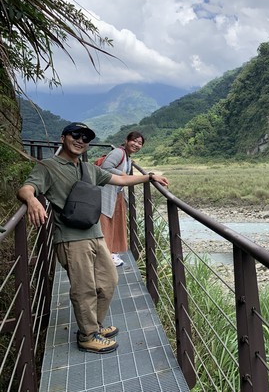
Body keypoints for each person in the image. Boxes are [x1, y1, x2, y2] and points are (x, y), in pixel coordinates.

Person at [17, 122, 169, 354]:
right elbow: (27, 187)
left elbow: (120, 180)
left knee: (109, 280)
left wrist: (149, 177)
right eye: (75, 135)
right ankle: (87, 335)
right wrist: (32, 200)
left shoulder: (89, 169)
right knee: (84, 288)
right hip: (70, 238)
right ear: (63, 138)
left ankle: (93, 326)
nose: (80, 140)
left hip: (95, 233)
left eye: (85, 138)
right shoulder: (48, 166)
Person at [99, 131, 145, 267]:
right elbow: (105, 167)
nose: (136, 144)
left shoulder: (127, 157)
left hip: (116, 194)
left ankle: (111, 252)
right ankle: (105, 256)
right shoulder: (118, 153)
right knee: (106, 223)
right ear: (126, 140)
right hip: (107, 193)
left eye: (140, 143)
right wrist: (124, 175)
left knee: (115, 223)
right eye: (134, 141)